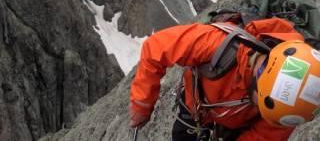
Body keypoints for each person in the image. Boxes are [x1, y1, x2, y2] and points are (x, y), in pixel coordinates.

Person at [129, 17, 320, 140]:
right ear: (260, 78)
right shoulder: (216, 44)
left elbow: (263, 137)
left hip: (231, 127)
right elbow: (155, 48)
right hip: (196, 108)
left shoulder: (287, 107)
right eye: (259, 103)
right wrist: (142, 105)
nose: (258, 110)